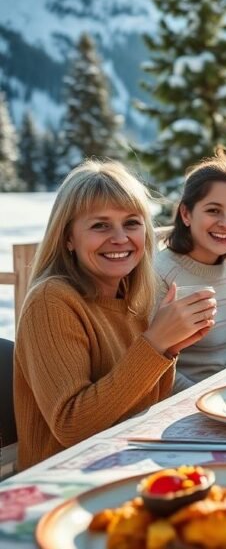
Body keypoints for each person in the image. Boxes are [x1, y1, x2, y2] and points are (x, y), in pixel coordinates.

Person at [13, 161, 215, 469]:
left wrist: (168, 348)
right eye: (100, 225)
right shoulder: (51, 301)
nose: (120, 238)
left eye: (132, 223)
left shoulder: (132, 296)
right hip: (63, 480)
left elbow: (144, 404)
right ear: (68, 237)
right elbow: (73, 427)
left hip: (125, 460)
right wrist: (154, 343)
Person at [155, 148, 226, 392]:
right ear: (186, 213)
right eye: (213, 210)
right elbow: (153, 363)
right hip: (181, 403)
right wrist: (204, 398)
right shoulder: (161, 272)